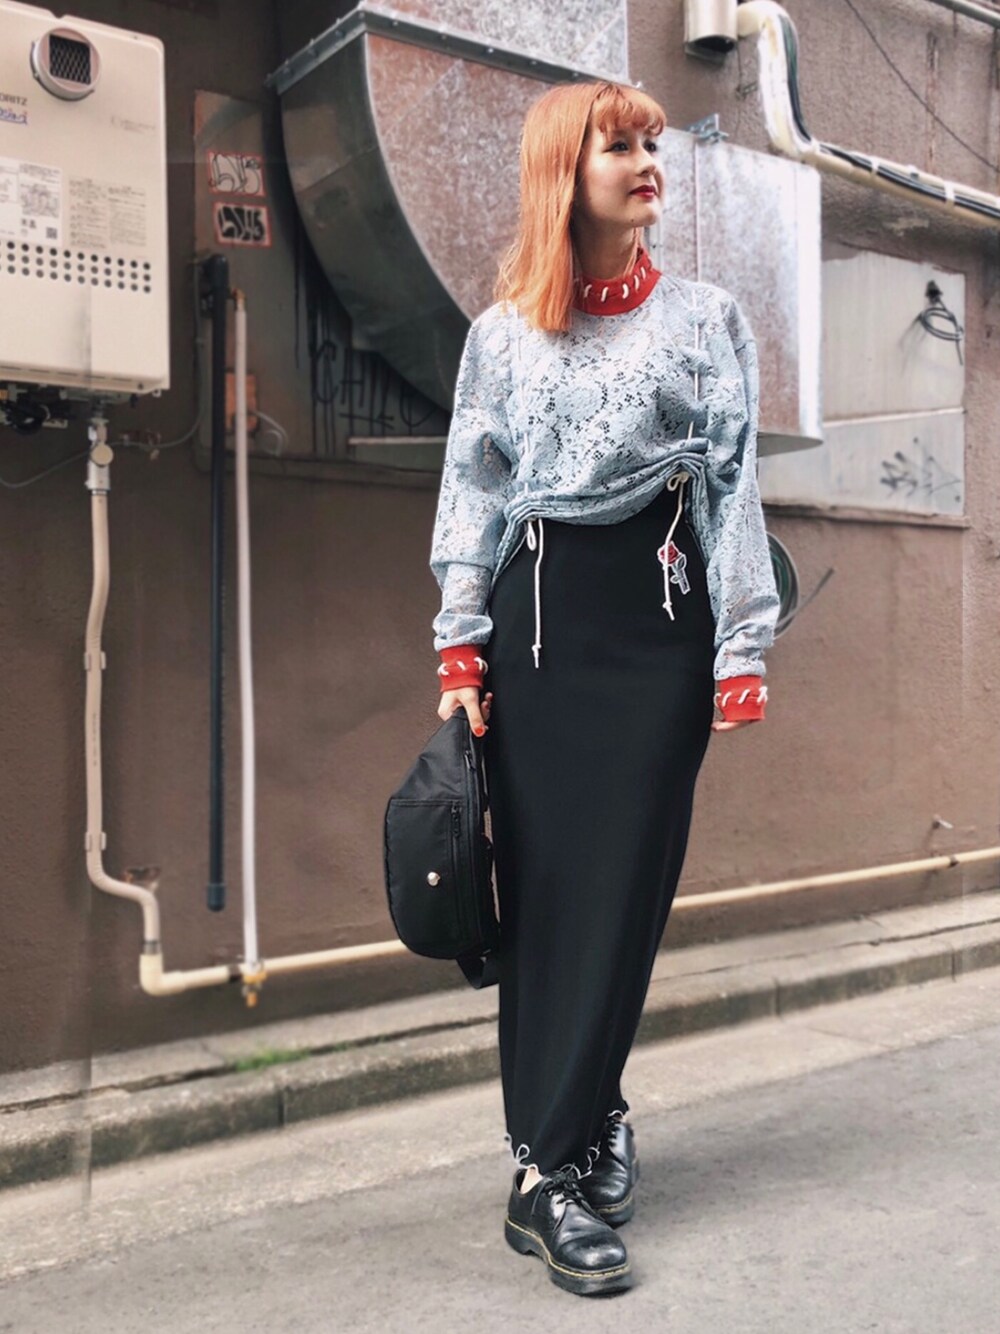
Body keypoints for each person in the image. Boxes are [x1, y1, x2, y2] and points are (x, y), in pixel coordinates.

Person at [429, 79, 780, 1297]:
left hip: (662, 621)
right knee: (546, 893)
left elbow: (733, 483)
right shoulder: (501, 335)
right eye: (616, 145)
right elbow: (473, 487)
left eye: (650, 142)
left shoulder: (706, 318)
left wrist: (742, 643)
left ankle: (591, 1113)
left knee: (627, 889)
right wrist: (458, 645)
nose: (644, 161)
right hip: (539, 624)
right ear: (560, 172)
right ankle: (545, 1168)